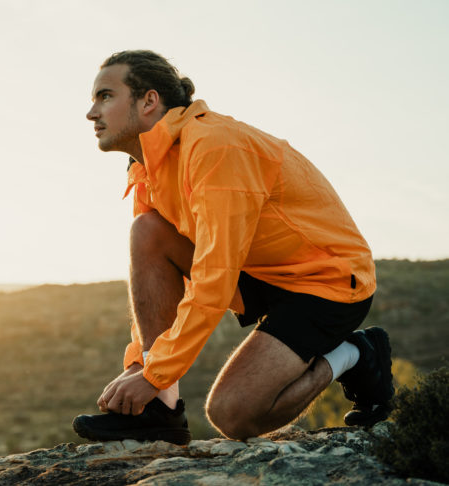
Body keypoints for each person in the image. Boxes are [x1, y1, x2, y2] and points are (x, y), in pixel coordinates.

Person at [73, 50, 394, 445]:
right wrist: (145, 367)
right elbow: (158, 271)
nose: (92, 112)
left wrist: (155, 371)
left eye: (105, 96)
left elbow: (213, 276)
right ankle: (160, 409)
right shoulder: (147, 167)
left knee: (233, 415)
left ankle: (353, 354)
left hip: (325, 281)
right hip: (259, 273)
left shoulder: (213, 147)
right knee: (147, 230)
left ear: (149, 101)